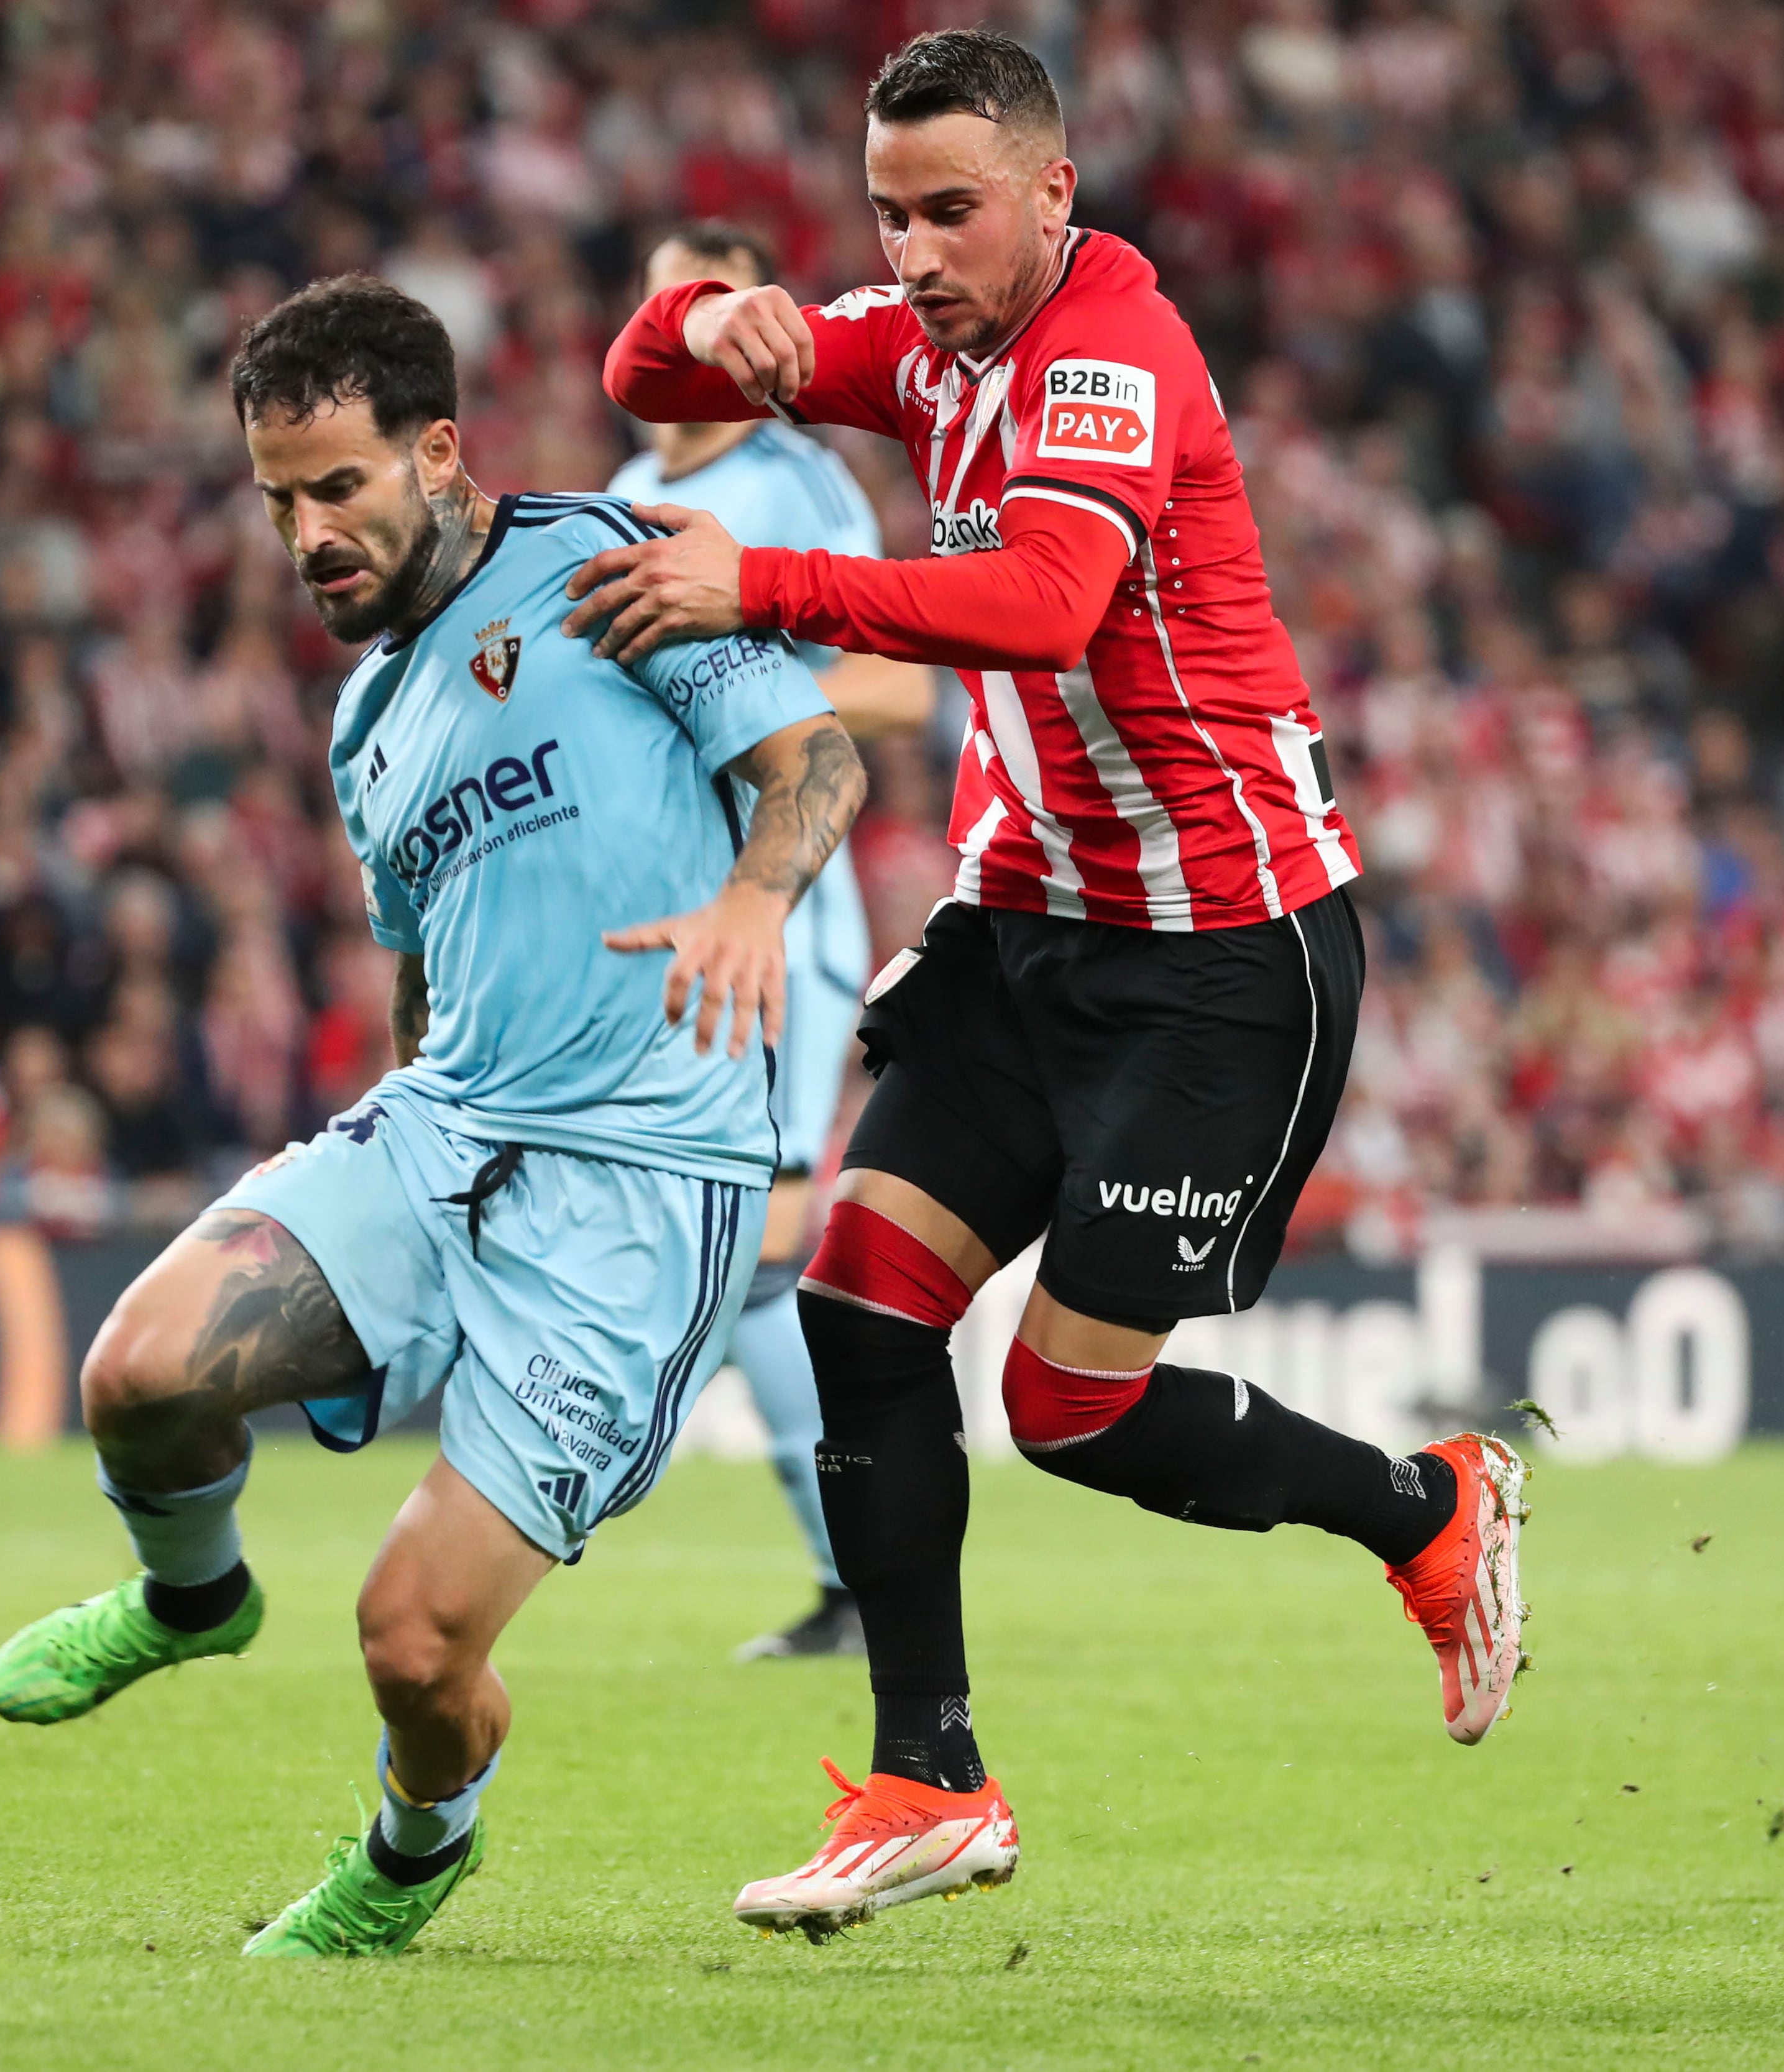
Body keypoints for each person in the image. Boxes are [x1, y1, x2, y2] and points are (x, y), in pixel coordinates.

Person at [577, 28, 1527, 1937]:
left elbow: (1042, 604)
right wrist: (711, 318)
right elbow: (638, 381)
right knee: (858, 1301)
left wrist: (765, 581)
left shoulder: (1111, 353)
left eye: (952, 212)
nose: (914, 253)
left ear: (1052, 193)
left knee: (1070, 1403)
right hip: (1029, 925)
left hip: (1220, 949)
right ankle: (930, 1781)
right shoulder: (919, 337)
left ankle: (1428, 1509)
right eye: (888, 216)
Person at [0, 277, 864, 1956]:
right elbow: (420, 957)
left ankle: (412, 1848)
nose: (307, 534)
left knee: (412, 1643)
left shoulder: (610, 561)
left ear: (438, 452)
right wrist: (391, 1124)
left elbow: (816, 759)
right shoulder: (367, 717)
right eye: (278, 502)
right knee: (136, 1373)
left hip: (640, 1188)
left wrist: (754, 906)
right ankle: (193, 1594)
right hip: (447, 1124)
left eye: (338, 487)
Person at [608, 221, 936, 1662]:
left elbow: (899, 688)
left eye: (722, 307)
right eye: (671, 303)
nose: (697, 331)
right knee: (737, 1256)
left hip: (780, 918)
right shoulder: (623, 496)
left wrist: (726, 678)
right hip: (661, 922)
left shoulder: (793, 482)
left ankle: (872, 1567)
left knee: (756, 1242)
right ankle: (856, 1575)